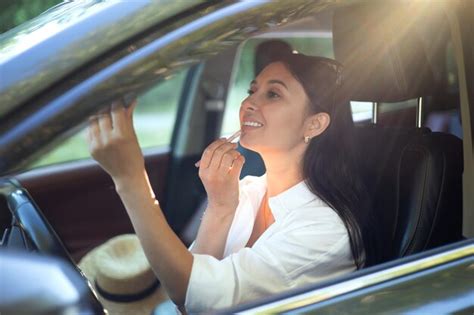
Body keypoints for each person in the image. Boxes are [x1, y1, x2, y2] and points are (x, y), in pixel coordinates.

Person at [86, 44, 376, 313]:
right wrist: (220, 208)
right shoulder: (248, 190)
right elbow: (187, 303)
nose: (249, 102)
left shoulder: (325, 229)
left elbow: (196, 295)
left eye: (272, 94)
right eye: (252, 90)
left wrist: (131, 179)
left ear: (314, 124)